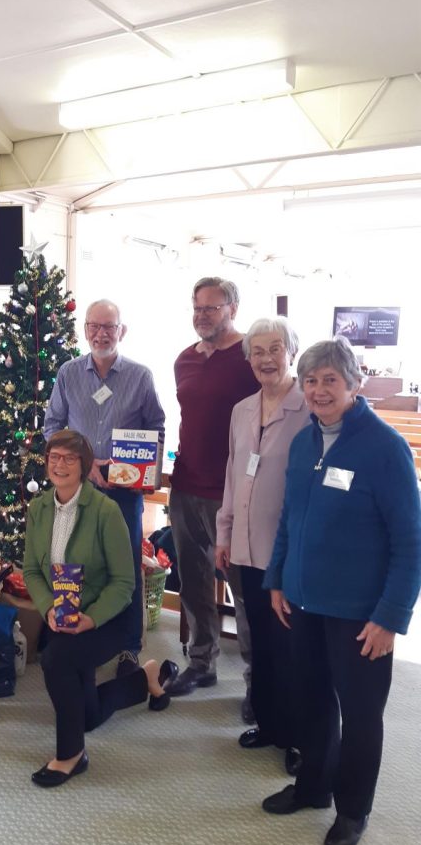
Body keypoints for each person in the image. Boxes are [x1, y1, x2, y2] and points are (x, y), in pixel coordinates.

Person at [261, 338, 421, 845]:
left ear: (353, 384)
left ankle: (353, 809)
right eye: (310, 380)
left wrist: (391, 616)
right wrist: (278, 577)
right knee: (310, 701)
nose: (318, 390)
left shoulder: (384, 447)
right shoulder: (305, 442)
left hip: (360, 615)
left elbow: (410, 541)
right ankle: (313, 787)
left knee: (360, 713)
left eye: (330, 379)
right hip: (304, 603)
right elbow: (291, 517)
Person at [23, 430, 177, 788]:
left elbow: (125, 583)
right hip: (60, 613)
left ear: (84, 465)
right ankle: (146, 678)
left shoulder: (105, 511)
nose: (59, 465)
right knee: (85, 715)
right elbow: (31, 570)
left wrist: (90, 618)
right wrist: (47, 609)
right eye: (53, 457)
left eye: (69, 458)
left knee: (56, 659)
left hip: (108, 617)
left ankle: (71, 754)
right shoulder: (39, 508)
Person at [44, 299, 165, 677]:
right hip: (76, 489)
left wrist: (138, 469)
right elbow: (52, 426)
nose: (101, 333)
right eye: (94, 326)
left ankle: (128, 646)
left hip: (123, 493)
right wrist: (85, 462)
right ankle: (71, 632)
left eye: (109, 327)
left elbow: (157, 429)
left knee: (124, 567)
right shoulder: (68, 373)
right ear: (84, 329)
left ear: (122, 331)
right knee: (72, 562)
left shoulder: (141, 376)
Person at [215, 317, 310, 773]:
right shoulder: (242, 410)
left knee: (292, 647)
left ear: (291, 351)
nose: (267, 359)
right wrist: (224, 531)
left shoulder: (309, 408)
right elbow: (235, 475)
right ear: (248, 357)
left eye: (276, 349)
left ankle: (299, 737)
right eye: (258, 351)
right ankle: (270, 724)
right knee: (263, 644)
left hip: (289, 552)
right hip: (247, 549)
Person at [168, 277, 259, 711]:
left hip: (234, 494)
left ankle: (257, 680)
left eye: (212, 307)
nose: (203, 315)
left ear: (233, 308)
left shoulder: (249, 357)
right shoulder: (184, 359)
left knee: (243, 589)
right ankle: (202, 662)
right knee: (194, 583)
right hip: (185, 487)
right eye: (197, 307)